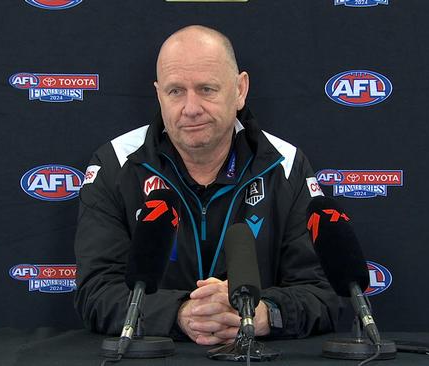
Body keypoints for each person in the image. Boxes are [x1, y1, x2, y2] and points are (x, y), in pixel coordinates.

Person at [74, 25, 340, 346]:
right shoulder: (115, 165)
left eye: (206, 89)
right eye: (175, 91)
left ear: (240, 90)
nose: (191, 108)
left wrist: (262, 314)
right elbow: (96, 292)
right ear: (159, 94)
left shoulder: (286, 166)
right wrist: (180, 314)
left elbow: (326, 293)